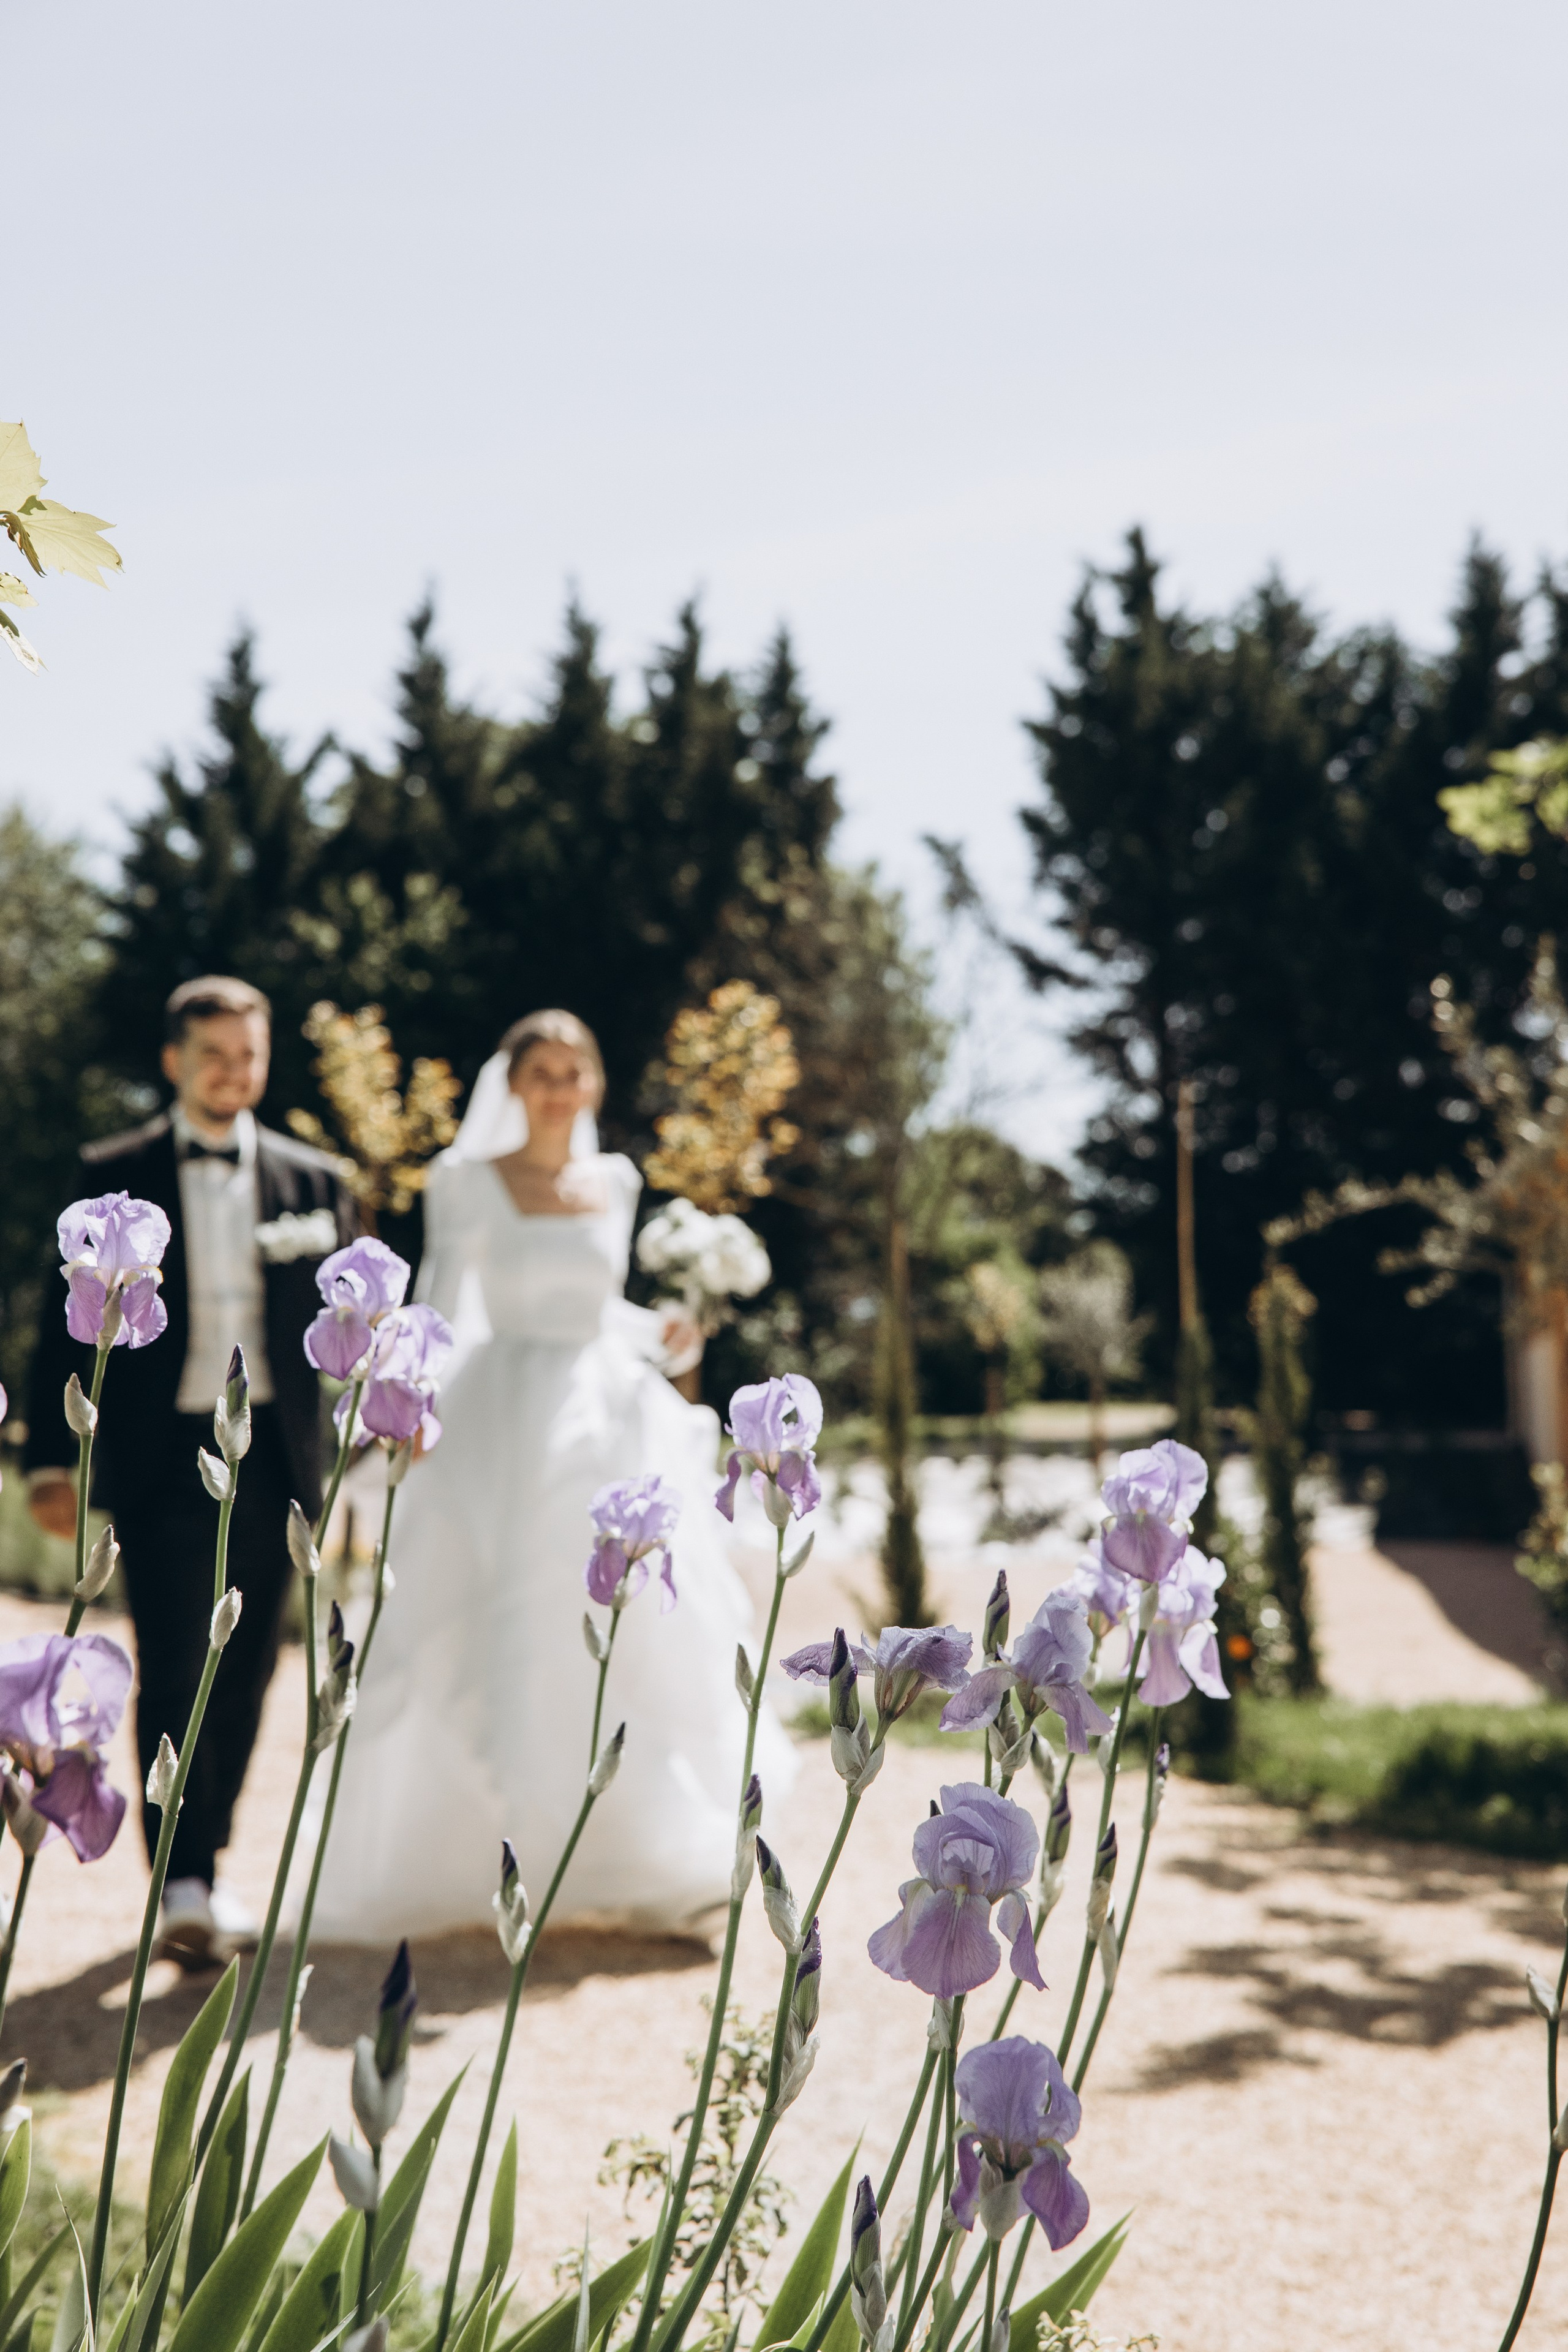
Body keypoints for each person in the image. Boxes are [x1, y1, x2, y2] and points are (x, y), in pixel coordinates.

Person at [311, 1008, 795, 1943]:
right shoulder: (466, 1180)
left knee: (642, 1622)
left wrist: (663, 1331)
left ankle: (659, 1858)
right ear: (514, 1084)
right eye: (542, 1071)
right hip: (504, 1414)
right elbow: (446, 1299)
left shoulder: (617, 1181)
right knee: (509, 1619)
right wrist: (415, 1403)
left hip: (612, 1413)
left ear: (595, 1083)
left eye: (575, 1071)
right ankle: (501, 1851)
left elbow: (598, 1307)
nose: (560, 1088)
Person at [24, 976, 358, 1967]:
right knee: (175, 1652)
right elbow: (60, 1323)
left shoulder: (316, 1181)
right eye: (214, 1054)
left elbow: (349, 1331)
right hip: (160, 1449)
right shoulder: (111, 1173)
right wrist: (50, 1461)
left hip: (278, 1454)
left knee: (250, 1664)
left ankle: (207, 1859)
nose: (233, 1072)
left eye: (249, 1055)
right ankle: (180, 1882)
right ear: (174, 1060)